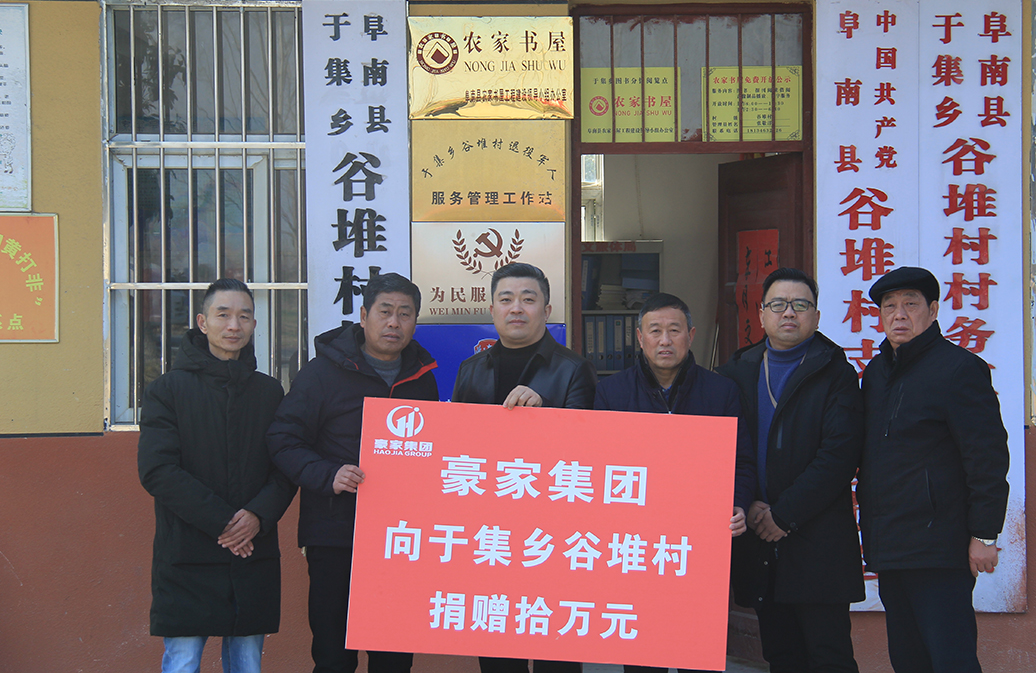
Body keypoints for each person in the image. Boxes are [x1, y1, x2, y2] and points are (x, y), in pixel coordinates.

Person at [268, 273, 438, 673]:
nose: (394, 322)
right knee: (334, 654)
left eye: (405, 314)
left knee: (394, 655)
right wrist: (328, 475)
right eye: (385, 311)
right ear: (363, 316)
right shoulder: (321, 373)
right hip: (336, 533)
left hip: (400, 540)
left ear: (415, 322)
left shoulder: (423, 378)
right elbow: (282, 439)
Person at [138, 278, 296, 673]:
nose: (233, 326)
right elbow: (158, 470)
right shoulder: (167, 390)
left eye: (244, 316)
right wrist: (226, 522)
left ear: (254, 324)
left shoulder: (269, 393)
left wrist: (257, 516)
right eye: (223, 315)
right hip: (188, 553)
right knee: (183, 661)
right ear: (202, 322)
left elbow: (285, 466)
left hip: (252, 552)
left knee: (247, 664)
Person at [857, 266, 1009, 673]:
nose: (899, 315)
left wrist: (984, 534)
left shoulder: (958, 369)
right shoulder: (876, 374)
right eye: (889, 306)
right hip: (890, 545)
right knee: (908, 659)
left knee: (951, 659)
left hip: (940, 547)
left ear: (934, 310)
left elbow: (987, 457)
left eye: (910, 304)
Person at [716, 267, 865, 673]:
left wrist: (783, 515)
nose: (789, 313)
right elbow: (721, 451)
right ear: (761, 314)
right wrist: (747, 503)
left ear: (816, 316)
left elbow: (839, 456)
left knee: (829, 655)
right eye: (778, 304)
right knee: (781, 656)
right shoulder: (736, 371)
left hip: (817, 540)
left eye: (800, 305)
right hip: (759, 541)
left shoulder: (835, 372)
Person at [451, 262, 596, 673]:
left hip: (551, 537)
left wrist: (544, 414)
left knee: (556, 652)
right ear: (492, 310)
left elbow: (587, 454)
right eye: (506, 299)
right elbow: (456, 450)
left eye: (528, 299)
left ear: (546, 310)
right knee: (499, 649)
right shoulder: (471, 369)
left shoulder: (574, 368)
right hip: (490, 535)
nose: (517, 308)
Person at [595, 291, 749, 673]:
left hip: (699, 550)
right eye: (655, 331)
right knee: (644, 656)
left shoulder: (721, 392)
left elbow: (742, 462)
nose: (665, 340)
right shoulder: (612, 393)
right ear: (640, 337)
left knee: (697, 653)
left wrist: (738, 504)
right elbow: (600, 467)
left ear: (691, 335)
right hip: (637, 550)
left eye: (674, 330)